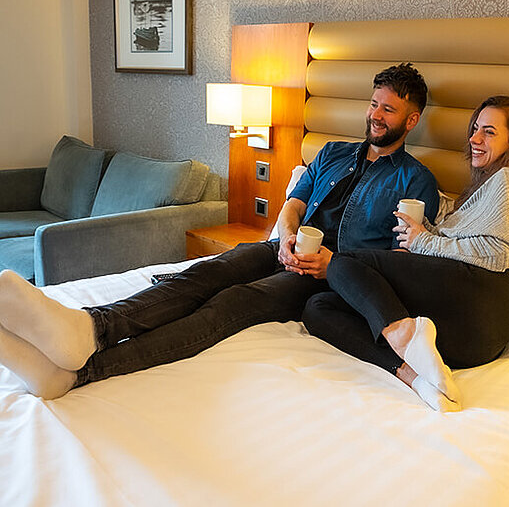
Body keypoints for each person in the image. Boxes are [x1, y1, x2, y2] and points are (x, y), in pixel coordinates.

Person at [0, 63, 439, 399]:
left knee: (229, 303)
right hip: (283, 252)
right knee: (203, 273)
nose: (376, 115)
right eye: (374, 104)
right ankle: (90, 329)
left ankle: (82, 372)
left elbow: (399, 264)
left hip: (331, 282)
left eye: (389, 109)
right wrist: (285, 236)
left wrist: (334, 266)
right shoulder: (333, 153)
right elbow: (293, 204)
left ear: (412, 119)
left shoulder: (416, 181)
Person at [302, 96, 509, 412]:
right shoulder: (488, 188)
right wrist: (426, 232)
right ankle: (414, 374)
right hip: (472, 341)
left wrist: (422, 243)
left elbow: (497, 254)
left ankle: (406, 335)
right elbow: (469, 245)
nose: (474, 139)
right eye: (474, 129)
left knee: (342, 262)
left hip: (488, 298)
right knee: (318, 307)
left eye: (488, 132)